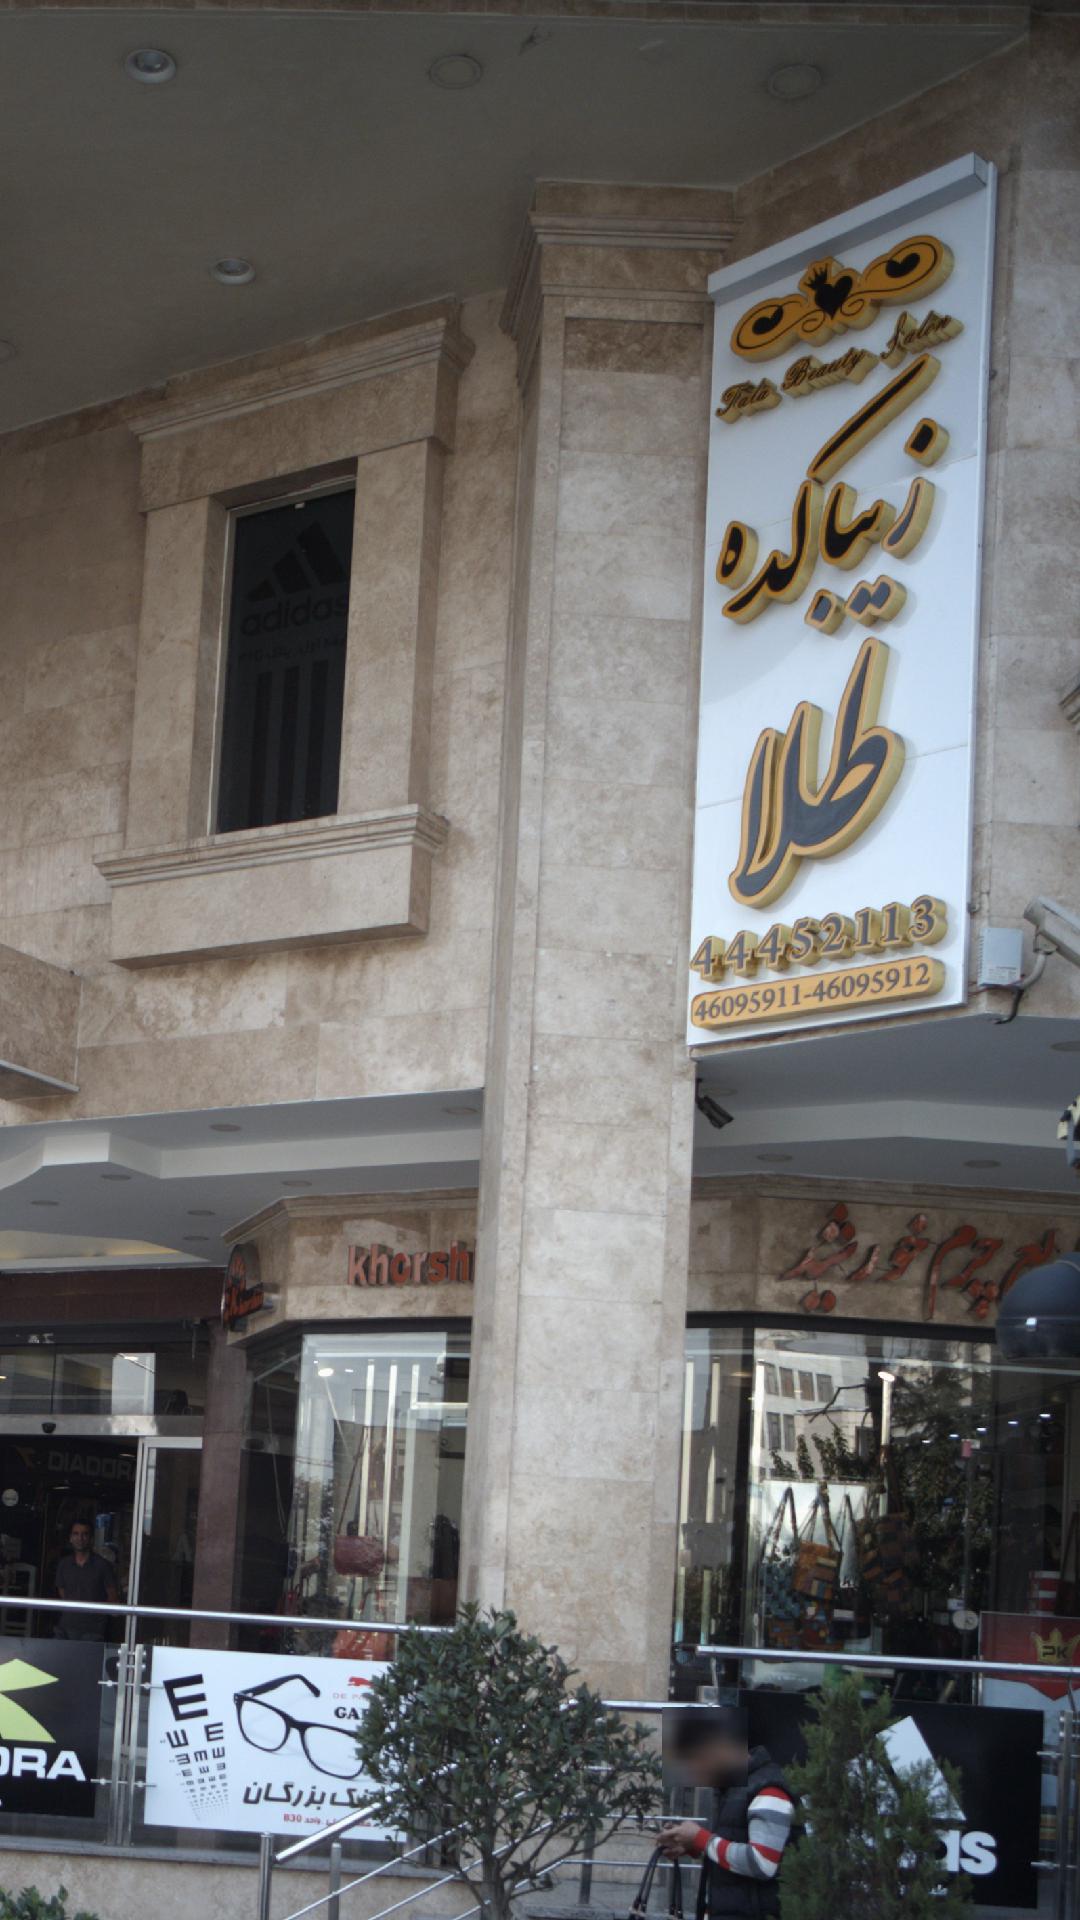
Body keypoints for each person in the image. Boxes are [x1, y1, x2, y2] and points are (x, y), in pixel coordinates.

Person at [658, 1707, 794, 1916]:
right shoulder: (737, 1789)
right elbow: (735, 1845)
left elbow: (762, 1862)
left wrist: (701, 1839)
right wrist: (693, 1844)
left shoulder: (768, 1791)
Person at [54, 1520, 119, 1640]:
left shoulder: (103, 1565)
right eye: (76, 1534)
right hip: (66, 1628)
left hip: (93, 1631)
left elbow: (112, 1597)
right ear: (70, 1538)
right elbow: (62, 1592)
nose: (80, 1538)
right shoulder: (64, 1564)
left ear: (91, 1539)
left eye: (85, 1534)